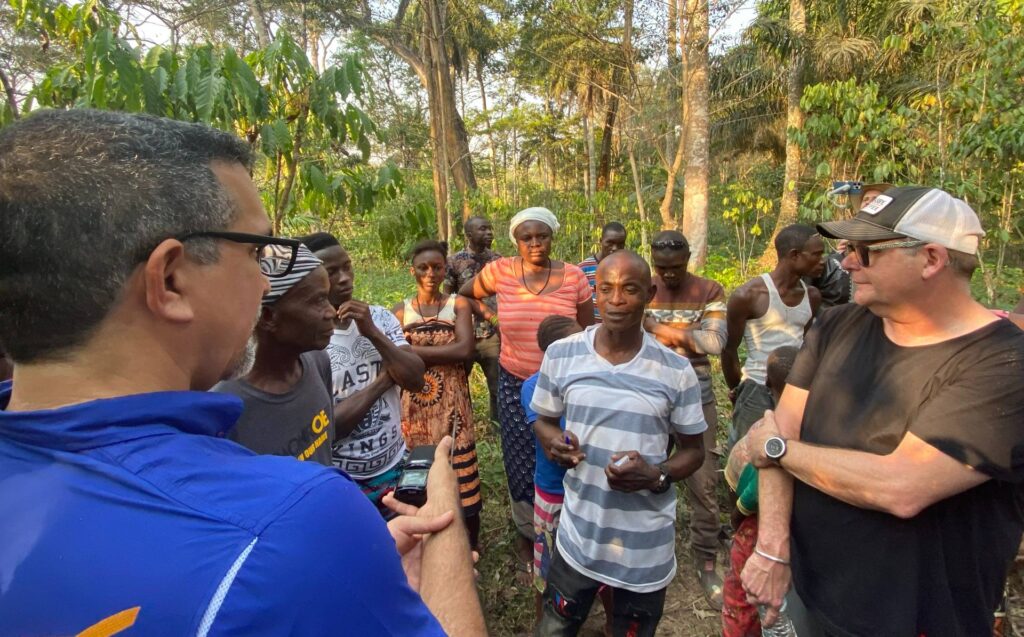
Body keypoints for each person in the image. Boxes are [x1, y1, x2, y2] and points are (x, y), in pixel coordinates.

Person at [0, 109, 484, 636]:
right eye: (256, 253)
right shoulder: (293, 516)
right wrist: (446, 529)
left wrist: (327, 570)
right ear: (171, 280)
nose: (262, 284)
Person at [742, 186, 1024, 636]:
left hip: (919, 618)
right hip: (813, 594)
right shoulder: (837, 326)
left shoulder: (1003, 365)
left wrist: (777, 449)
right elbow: (780, 425)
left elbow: (902, 487)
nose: (847, 262)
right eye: (846, 248)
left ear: (931, 259)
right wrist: (774, 547)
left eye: (864, 251)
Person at [531, 251, 707, 637]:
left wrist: (657, 473)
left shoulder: (676, 371)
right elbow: (544, 421)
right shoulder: (563, 354)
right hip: (577, 536)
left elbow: (695, 451)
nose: (616, 300)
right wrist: (555, 442)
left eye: (629, 289)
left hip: (643, 548)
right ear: (594, 292)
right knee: (554, 628)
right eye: (605, 288)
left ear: (650, 293)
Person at [461, 206, 595, 579]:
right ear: (516, 241)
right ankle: (527, 535)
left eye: (542, 236)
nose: (535, 243)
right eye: (526, 237)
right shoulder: (501, 271)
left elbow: (588, 330)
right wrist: (491, 318)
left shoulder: (573, 277)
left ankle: (570, 529)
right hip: (515, 379)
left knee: (566, 451)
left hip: (566, 385)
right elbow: (465, 292)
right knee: (520, 457)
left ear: (553, 236)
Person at [302, 232, 428, 519]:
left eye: (347, 267)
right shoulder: (308, 341)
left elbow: (415, 379)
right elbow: (330, 427)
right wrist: (385, 379)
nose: (345, 278)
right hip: (343, 481)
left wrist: (370, 331)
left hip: (395, 466)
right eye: (331, 272)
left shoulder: (380, 318)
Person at [642, 229, 728, 609]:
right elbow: (629, 335)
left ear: (688, 258)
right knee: (646, 470)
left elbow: (713, 343)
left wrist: (657, 329)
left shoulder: (709, 290)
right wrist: (687, 335)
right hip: (647, 393)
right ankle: (646, 546)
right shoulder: (643, 286)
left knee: (703, 480)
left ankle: (705, 554)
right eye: (661, 268)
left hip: (698, 393)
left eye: (675, 267)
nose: (669, 275)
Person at [393, 240, 483, 549]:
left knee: (463, 482)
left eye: (437, 267)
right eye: (423, 268)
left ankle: (470, 547)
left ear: (446, 269)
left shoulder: (457, 305)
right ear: (413, 271)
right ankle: (423, 542)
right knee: (418, 477)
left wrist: (410, 353)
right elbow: (393, 359)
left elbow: (465, 348)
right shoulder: (400, 311)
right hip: (413, 409)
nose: (431, 273)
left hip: (453, 404)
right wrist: (443, 353)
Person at [213, 245, 337, 465]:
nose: (332, 312)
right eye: (318, 300)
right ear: (268, 316)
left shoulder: (318, 362)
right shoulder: (225, 408)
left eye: (327, 298)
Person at [722, 224, 823, 448]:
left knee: (790, 449)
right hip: (756, 386)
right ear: (794, 255)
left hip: (795, 387)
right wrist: (738, 389)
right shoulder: (748, 295)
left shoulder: (812, 296)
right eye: (816, 255)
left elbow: (806, 347)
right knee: (747, 453)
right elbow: (729, 350)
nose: (823, 260)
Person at [721, 345, 798, 637]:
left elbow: (753, 493)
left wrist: (736, 515)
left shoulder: (770, 431)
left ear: (767, 384)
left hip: (759, 531)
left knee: (742, 599)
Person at [445, 216, 502, 422]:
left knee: (497, 387)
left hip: (492, 334)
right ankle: (463, 426)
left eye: (490, 228)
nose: (489, 233)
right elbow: (448, 297)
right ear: (469, 235)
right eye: (483, 229)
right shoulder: (454, 261)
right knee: (459, 385)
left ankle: (497, 427)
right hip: (463, 335)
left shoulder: (499, 261)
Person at [578, 221, 627, 322]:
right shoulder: (583, 269)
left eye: (620, 244)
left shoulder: (628, 268)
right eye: (610, 243)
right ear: (601, 241)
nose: (615, 248)